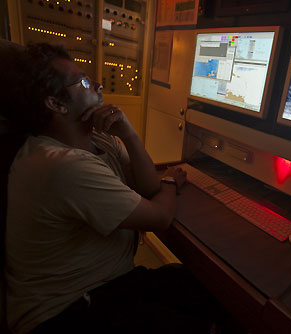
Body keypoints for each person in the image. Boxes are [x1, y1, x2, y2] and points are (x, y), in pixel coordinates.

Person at [4, 43, 225, 334]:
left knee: (204, 291)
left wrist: (128, 133)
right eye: (83, 81)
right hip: (64, 312)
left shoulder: (99, 139)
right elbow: (159, 216)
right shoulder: (59, 164)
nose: (95, 84)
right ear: (56, 104)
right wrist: (171, 181)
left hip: (108, 284)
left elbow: (147, 187)